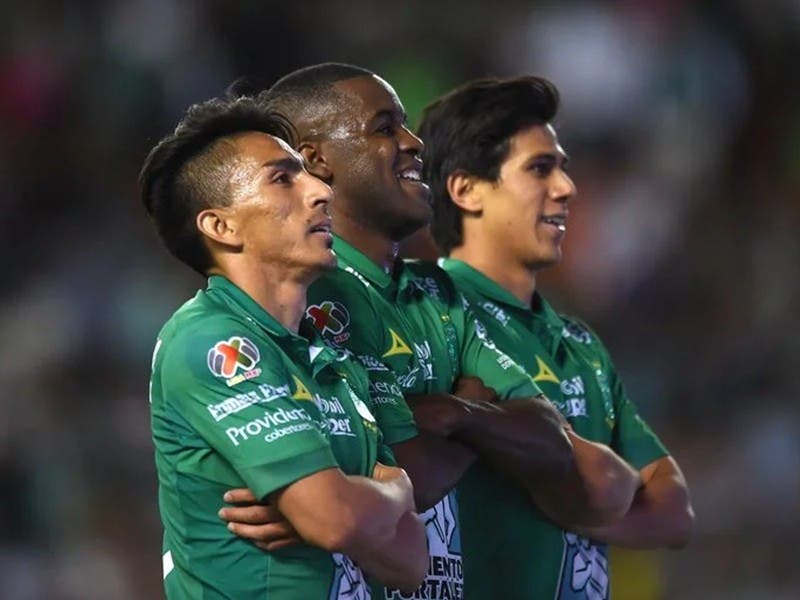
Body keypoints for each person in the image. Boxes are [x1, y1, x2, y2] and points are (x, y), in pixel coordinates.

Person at [219, 64, 642, 600]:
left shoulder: (441, 295)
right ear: (315, 159)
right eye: (384, 127)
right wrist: (477, 414)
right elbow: (405, 469)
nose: (414, 143)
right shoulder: (298, 294)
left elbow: (549, 440)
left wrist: (453, 416)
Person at [417, 75, 695, 599]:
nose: (567, 188)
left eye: (562, 168)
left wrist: (568, 501)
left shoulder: (578, 342)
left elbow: (674, 510)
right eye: (540, 168)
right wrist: (595, 491)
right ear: (466, 189)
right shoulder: (426, 312)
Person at [140, 95, 428, 599]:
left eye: (308, 175)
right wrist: (392, 490)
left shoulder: (333, 361)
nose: (321, 190)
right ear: (221, 226)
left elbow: (412, 561)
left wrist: (348, 504)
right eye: (282, 178)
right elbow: (334, 519)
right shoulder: (212, 341)